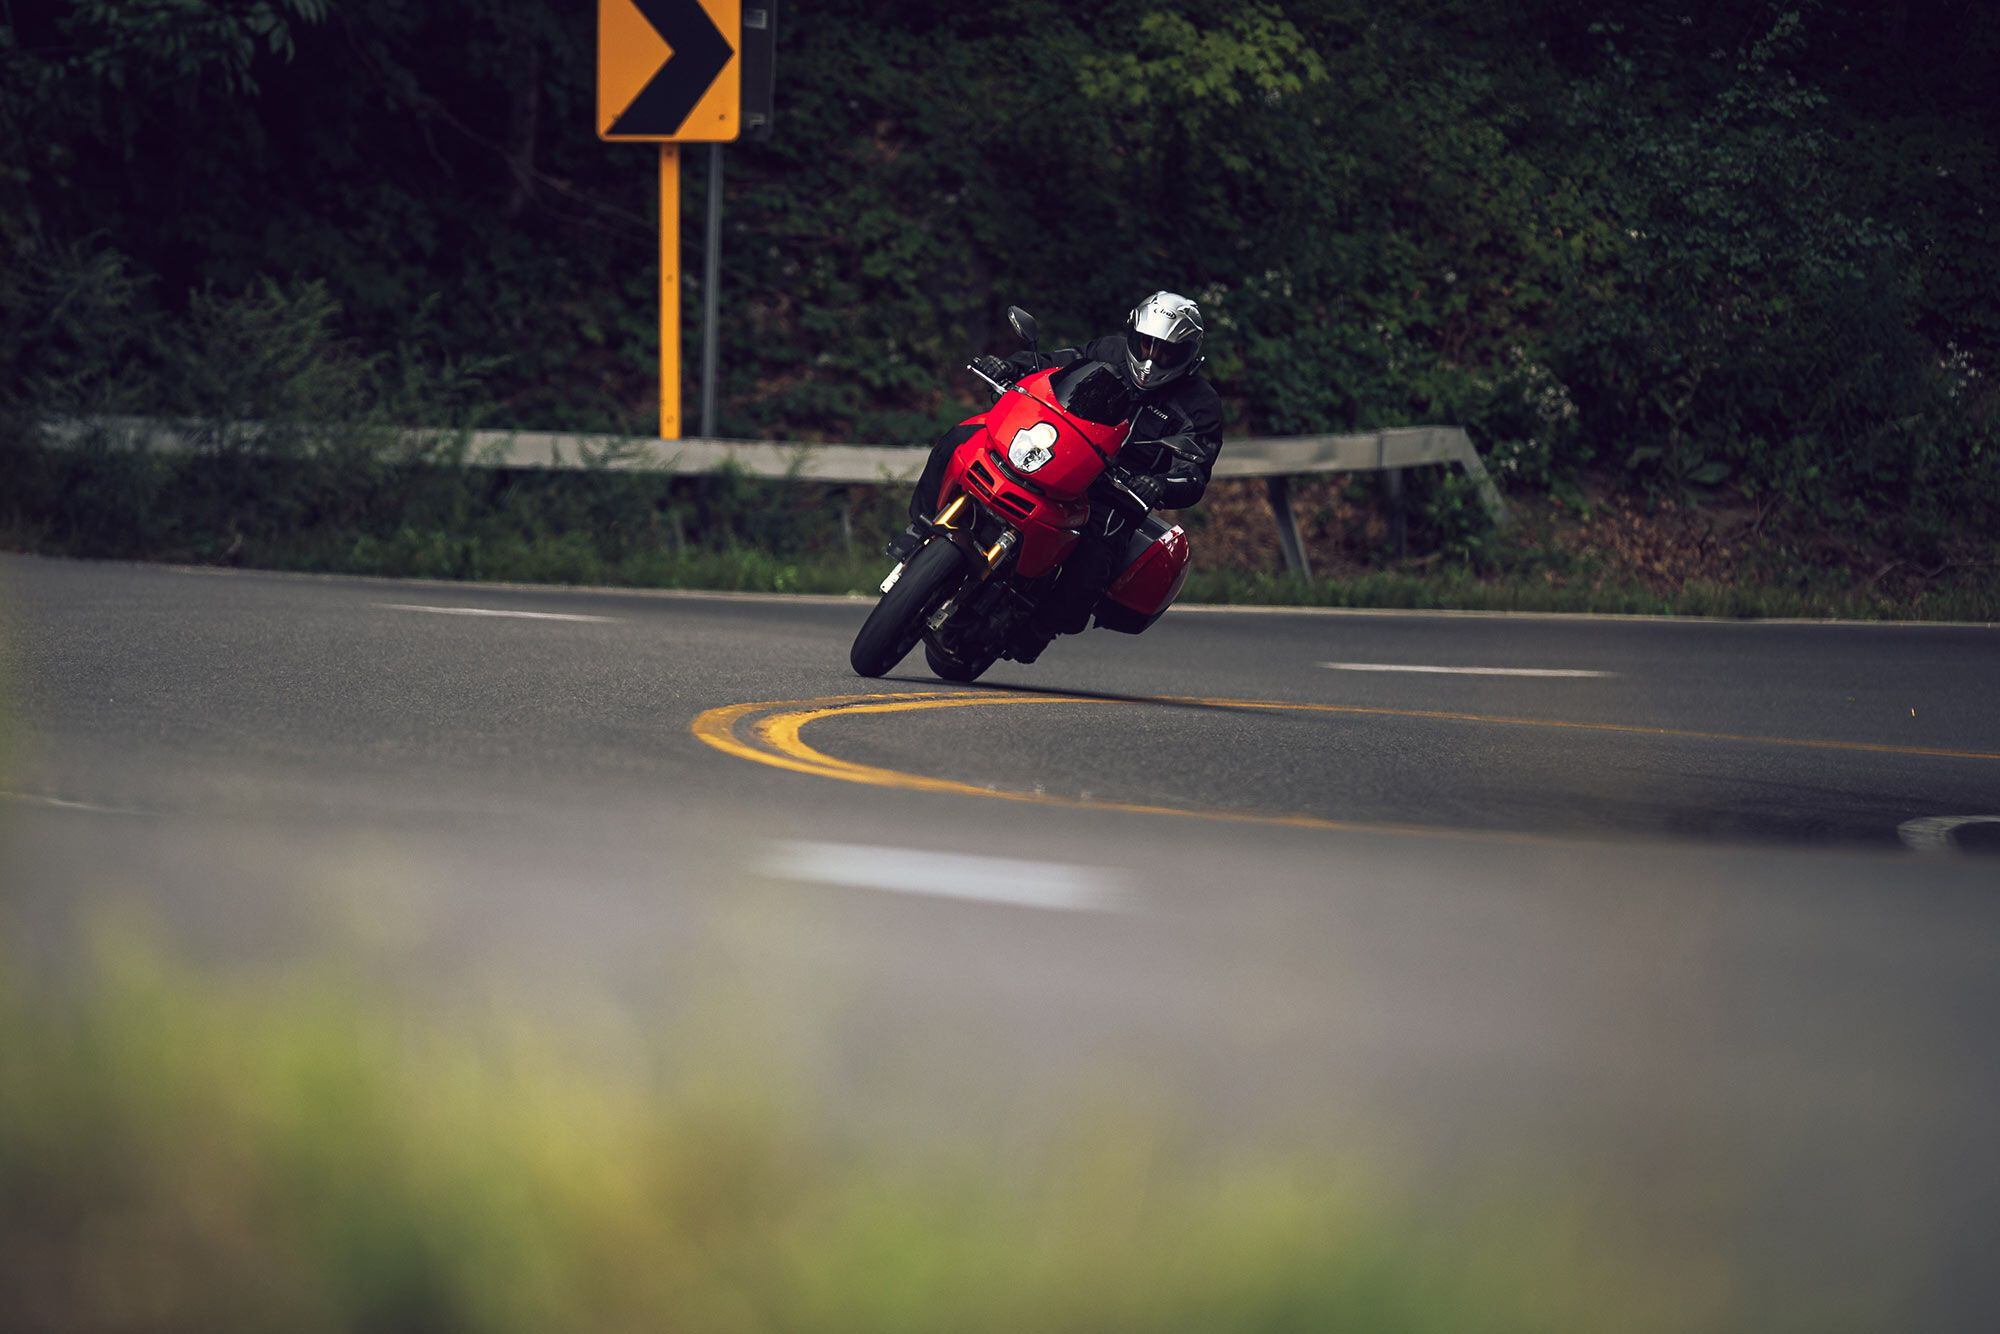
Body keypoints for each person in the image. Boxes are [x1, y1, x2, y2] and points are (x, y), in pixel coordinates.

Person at [889, 291, 1224, 661]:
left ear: (1188, 353)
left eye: (1165, 351)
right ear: (1133, 335)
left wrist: (1160, 483)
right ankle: (919, 529)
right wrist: (1010, 367)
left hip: (1116, 491)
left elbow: (1196, 469)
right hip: (1061, 453)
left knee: (1094, 558)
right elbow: (1053, 365)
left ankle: (1038, 627)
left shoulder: (1200, 403)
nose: (1150, 358)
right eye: (1145, 344)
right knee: (962, 438)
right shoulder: (1108, 351)